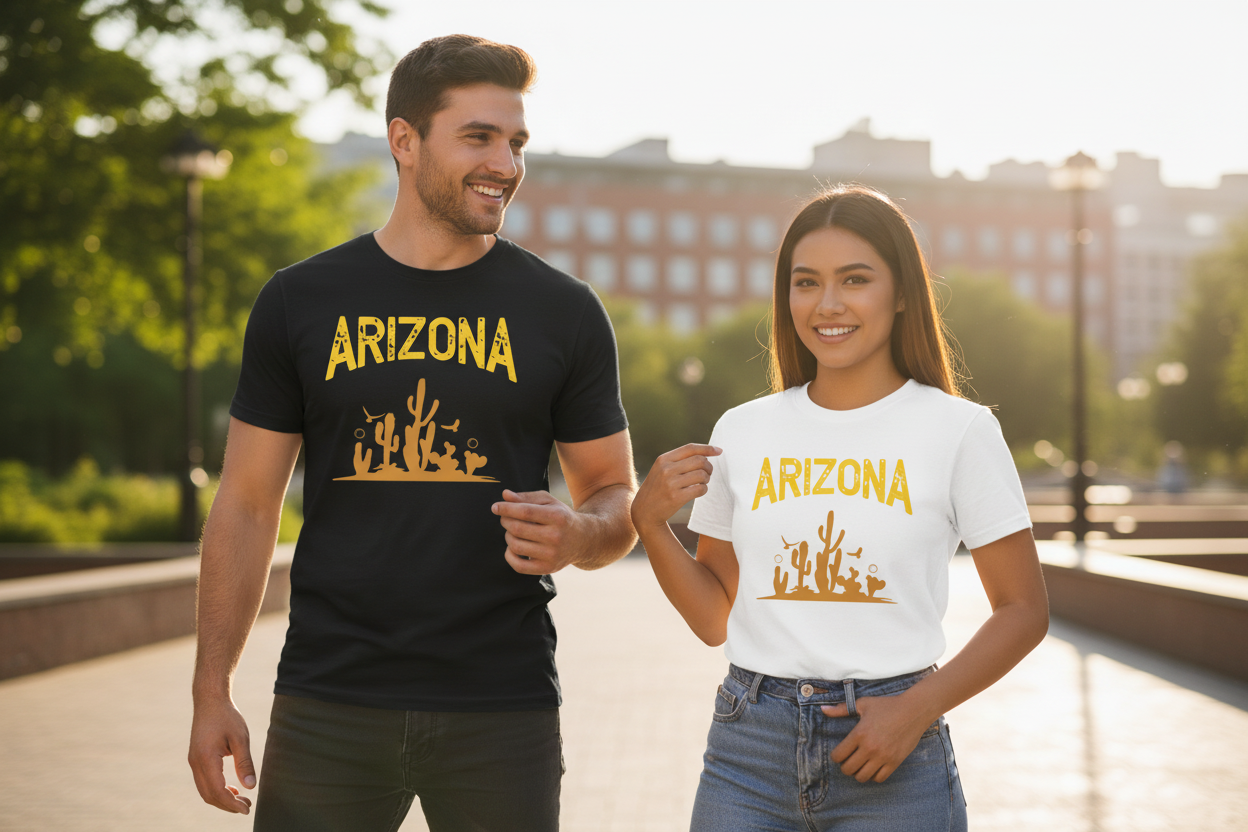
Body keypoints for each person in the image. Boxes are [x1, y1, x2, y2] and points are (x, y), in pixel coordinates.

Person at [187, 35, 637, 832]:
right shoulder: (299, 301)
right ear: (405, 140)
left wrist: (581, 533)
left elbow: (614, 494)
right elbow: (249, 502)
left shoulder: (563, 312)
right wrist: (211, 689)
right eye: (478, 137)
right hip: (329, 702)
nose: (505, 163)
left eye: (516, 141)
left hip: (502, 709)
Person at [631, 186, 1049, 831]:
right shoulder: (742, 430)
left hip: (893, 750)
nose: (828, 304)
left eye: (855, 279)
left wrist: (915, 710)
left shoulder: (959, 430)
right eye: (806, 283)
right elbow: (714, 617)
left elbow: (1023, 611)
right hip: (749, 750)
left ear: (902, 292)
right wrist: (650, 524)